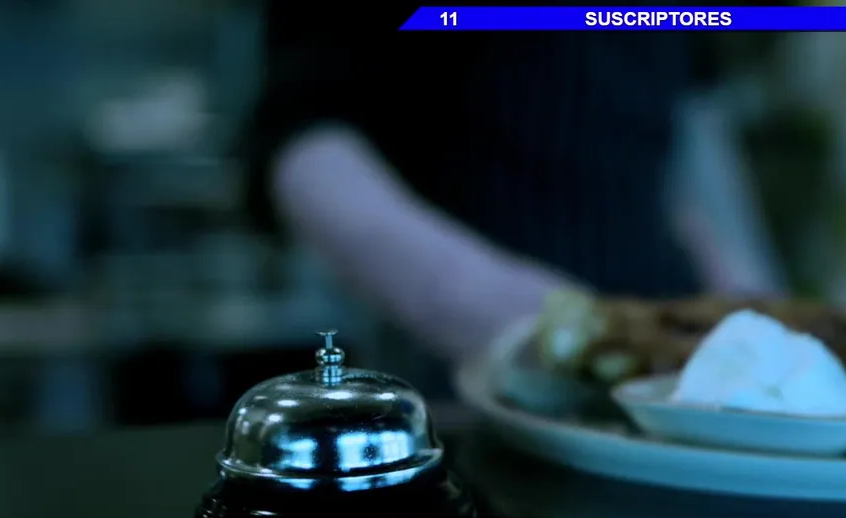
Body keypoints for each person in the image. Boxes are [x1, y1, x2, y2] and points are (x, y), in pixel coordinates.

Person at [243, 2, 762, 366]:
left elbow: (683, 140)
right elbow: (303, 143)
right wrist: (507, 316)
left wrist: (752, 314)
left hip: (666, 357)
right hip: (464, 368)